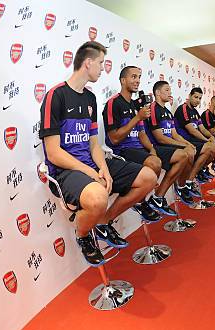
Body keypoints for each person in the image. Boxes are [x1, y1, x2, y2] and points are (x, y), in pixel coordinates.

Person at [39, 41, 158, 265]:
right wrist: (91, 172)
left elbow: (94, 143)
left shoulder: (90, 98)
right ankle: (83, 235)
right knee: (98, 197)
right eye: (101, 63)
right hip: (66, 170)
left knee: (148, 178)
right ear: (88, 63)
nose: (103, 69)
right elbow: (53, 153)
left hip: (92, 164)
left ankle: (104, 222)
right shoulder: (55, 96)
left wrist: (103, 168)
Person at [103, 66, 187, 217]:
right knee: (155, 163)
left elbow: (142, 133)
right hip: (122, 151)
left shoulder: (135, 106)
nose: (137, 81)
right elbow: (114, 139)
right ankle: (140, 202)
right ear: (123, 80)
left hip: (140, 149)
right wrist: (137, 118)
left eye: (139, 77)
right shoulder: (113, 103)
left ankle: (156, 197)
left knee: (183, 155)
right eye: (133, 77)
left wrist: (152, 149)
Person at [144, 80, 203, 206]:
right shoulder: (153, 109)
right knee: (185, 154)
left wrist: (187, 143)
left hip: (168, 145)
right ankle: (161, 195)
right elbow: (160, 138)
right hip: (157, 147)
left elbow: (175, 135)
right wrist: (184, 146)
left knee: (190, 150)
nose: (170, 93)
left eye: (170, 90)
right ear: (158, 93)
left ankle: (182, 186)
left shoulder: (168, 112)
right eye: (167, 90)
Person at [173, 87, 215, 184]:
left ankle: (199, 171)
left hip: (194, 139)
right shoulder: (183, 109)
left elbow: (202, 128)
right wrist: (206, 140)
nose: (198, 100)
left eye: (199, 98)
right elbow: (192, 130)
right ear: (189, 96)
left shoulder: (195, 112)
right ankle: (190, 180)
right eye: (195, 97)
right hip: (184, 140)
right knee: (210, 148)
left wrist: (210, 137)